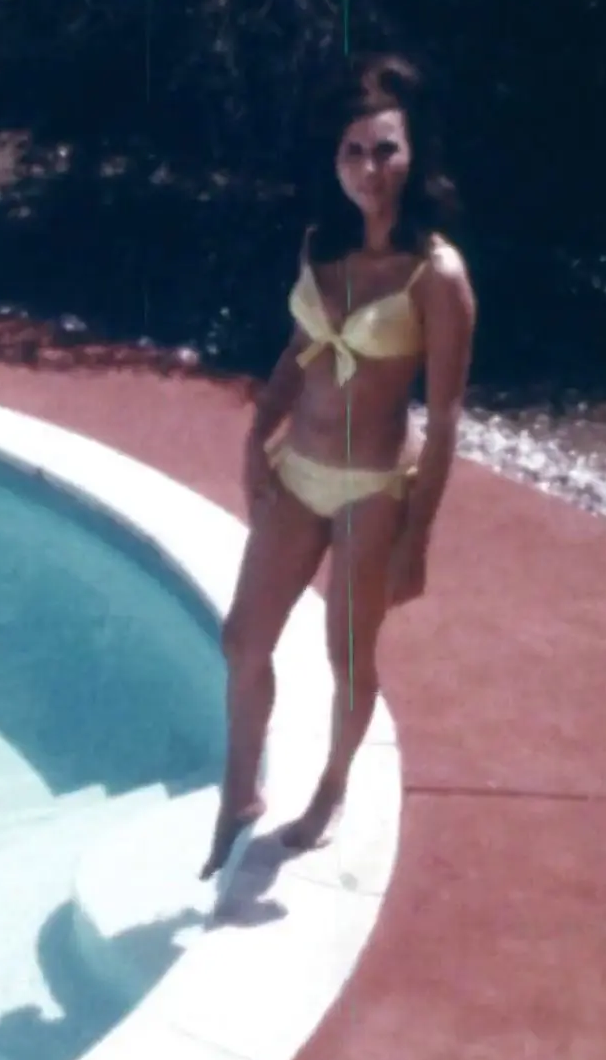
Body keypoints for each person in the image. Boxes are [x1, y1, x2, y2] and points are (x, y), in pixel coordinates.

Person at [201, 53, 477, 880]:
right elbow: (300, 348)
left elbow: (449, 413)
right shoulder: (320, 247)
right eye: (354, 151)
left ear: (414, 152)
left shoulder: (439, 274)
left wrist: (416, 538)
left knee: (347, 659)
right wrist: (259, 433)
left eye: (385, 149)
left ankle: (330, 787)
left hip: (372, 490)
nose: (370, 170)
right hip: (297, 474)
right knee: (242, 641)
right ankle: (238, 794)